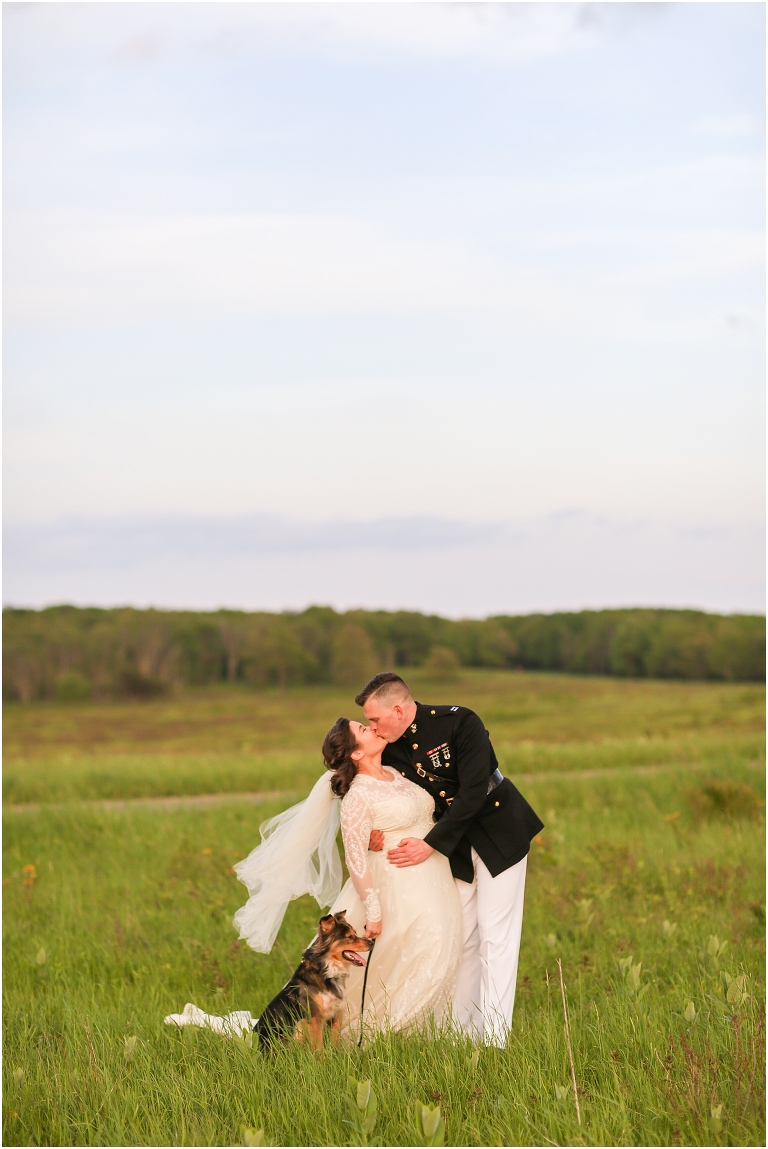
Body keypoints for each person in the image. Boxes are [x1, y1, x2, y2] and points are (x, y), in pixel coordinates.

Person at [166, 716, 462, 1042]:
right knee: (418, 954)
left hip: (432, 879)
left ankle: (427, 1031)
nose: (372, 727)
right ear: (355, 754)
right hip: (393, 884)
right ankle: (390, 1036)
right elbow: (354, 857)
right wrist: (374, 911)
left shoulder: (395, 770)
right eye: (363, 729)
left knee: (427, 955)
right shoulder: (357, 796)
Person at [356, 671, 544, 1047]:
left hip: (498, 831)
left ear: (397, 708)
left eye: (375, 719)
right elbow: (395, 796)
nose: (371, 727)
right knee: (463, 939)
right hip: (454, 847)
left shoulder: (460, 722)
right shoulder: (390, 748)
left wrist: (429, 844)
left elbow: (474, 792)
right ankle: (462, 1035)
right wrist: (375, 832)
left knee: (496, 937)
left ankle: (494, 1040)